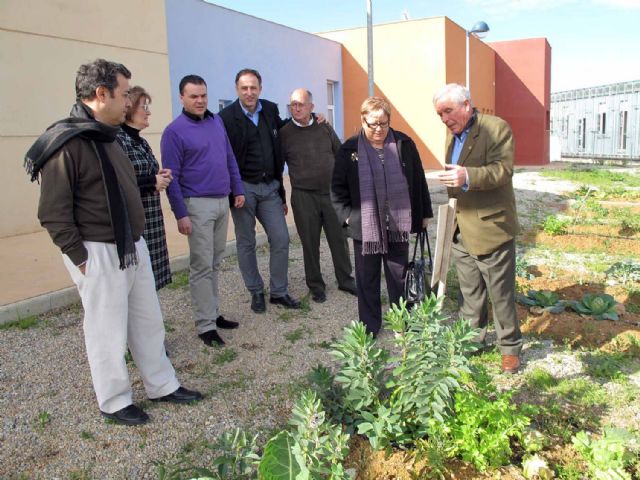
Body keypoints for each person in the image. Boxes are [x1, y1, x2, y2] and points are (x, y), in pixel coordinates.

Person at [25, 59, 202, 426]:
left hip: (131, 245)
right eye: (123, 95)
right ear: (100, 94)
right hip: (98, 251)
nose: (128, 102)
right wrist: (81, 258)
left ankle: (162, 384)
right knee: (106, 331)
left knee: (148, 320)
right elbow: (53, 213)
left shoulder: (108, 137)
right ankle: (115, 400)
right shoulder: (67, 143)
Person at [432, 83, 522, 374]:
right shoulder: (454, 135)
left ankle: (509, 348)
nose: (444, 119)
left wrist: (466, 175)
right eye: (440, 114)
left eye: (448, 111)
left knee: (501, 294)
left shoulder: (496, 128)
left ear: (466, 105)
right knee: (470, 294)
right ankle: (472, 341)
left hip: (491, 229)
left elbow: (502, 170)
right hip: (461, 230)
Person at [331, 97, 433, 337]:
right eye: (372, 124)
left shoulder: (403, 144)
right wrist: (347, 218)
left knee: (398, 276)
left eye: (383, 123)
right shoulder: (349, 150)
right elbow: (336, 188)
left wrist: (424, 212)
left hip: (397, 223)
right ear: (362, 120)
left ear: (390, 121)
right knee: (367, 278)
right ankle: (370, 326)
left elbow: (418, 180)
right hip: (365, 227)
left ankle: (401, 323)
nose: (378, 129)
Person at [161, 75, 245, 347]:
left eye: (203, 96)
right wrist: (180, 214)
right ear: (181, 98)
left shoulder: (215, 121)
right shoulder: (174, 132)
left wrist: (238, 189)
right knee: (201, 266)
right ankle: (205, 325)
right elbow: (171, 176)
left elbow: (229, 157)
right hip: (196, 206)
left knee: (215, 262)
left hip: (222, 201)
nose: (200, 101)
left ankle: (214, 313)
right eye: (194, 96)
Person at [219, 69, 301, 313]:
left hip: (269, 187)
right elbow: (223, 156)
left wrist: (311, 119)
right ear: (237, 90)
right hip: (243, 188)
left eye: (253, 87)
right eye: (244, 88)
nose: (249, 92)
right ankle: (255, 291)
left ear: (260, 89)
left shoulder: (270, 109)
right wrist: (232, 192)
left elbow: (284, 132)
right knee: (246, 242)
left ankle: (279, 292)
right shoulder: (225, 117)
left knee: (281, 238)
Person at [279, 88, 356, 303]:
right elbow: (277, 167)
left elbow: (341, 156)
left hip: (331, 194)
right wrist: (281, 197)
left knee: (339, 239)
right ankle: (315, 285)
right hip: (304, 197)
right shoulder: (284, 133)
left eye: (301, 104)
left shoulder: (324, 127)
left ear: (312, 107)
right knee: (309, 243)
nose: (296, 108)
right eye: (293, 104)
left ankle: (346, 280)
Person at [116, 86, 172, 290]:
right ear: (129, 108)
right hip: (134, 221)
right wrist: (152, 182)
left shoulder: (141, 141)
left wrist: (160, 176)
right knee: (137, 282)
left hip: (151, 218)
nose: (148, 112)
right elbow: (119, 182)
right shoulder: (118, 140)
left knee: (150, 282)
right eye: (144, 107)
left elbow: (145, 173)